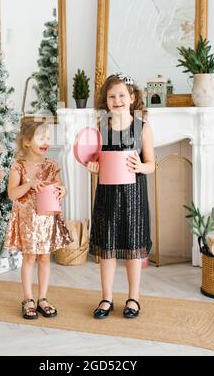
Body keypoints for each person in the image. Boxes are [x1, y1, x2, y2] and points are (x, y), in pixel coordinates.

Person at [88, 73, 155, 319]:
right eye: (111, 96)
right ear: (106, 101)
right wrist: (92, 166)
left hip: (134, 196)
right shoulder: (100, 129)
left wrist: (140, 166)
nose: (117, 100)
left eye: (122, 95)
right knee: (107, 248)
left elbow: (152, 164)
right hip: (107, 195)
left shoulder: (142, 128)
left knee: (133, 248)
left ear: (132, 97)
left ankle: (133, 298)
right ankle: (107, 297)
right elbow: (94, 161)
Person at [4, 120, 72, 319]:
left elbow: (58, 188)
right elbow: (12, 194)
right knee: (29, 258)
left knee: (44, 258)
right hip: (27, 221)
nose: (46, 141)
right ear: (26, 142)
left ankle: (42, 298)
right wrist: (30, 184)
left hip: (46, 220)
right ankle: (28, 298)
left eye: (48, 137)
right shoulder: (19, 167)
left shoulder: (51, 165)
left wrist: (63, 190)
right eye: (41, 137)